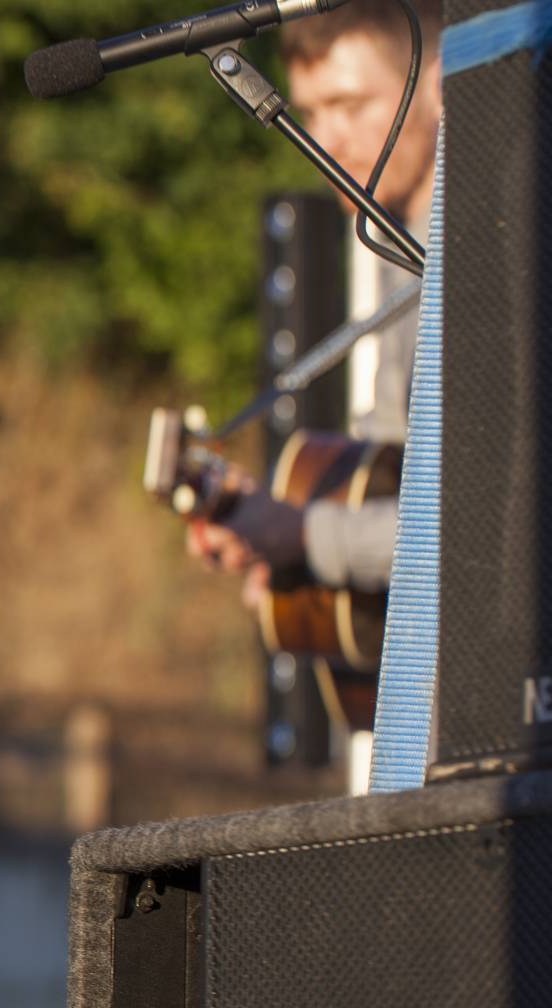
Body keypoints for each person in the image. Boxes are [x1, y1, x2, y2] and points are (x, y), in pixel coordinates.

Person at [189, 0, 440, 599]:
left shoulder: (503, 246)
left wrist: (309, 536)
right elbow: (392, 459)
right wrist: (277, 527)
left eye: (349, 106)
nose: (323, 141)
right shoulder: (395, 239)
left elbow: (494, 520)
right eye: (308, 113)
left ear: (439, 88)